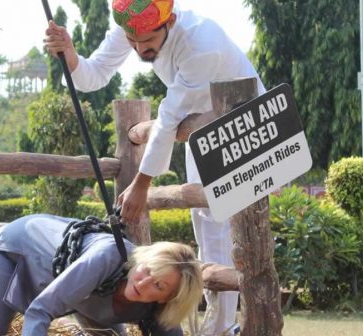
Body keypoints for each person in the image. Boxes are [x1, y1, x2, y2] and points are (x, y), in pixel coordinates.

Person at [44, 0, 266, 333]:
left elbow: (169, 115)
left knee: (234, 238)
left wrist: (142, 183)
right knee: (207, 233)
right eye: (132, 41)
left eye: (147, 42)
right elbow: (95, 74)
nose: (138, 49)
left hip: (246, 129)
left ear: (170, 20)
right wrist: (69, 53)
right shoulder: (132, 25)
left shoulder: (200, 42)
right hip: (203, 132)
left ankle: (224, 329)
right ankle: (214, 328)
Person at [0, 214, 203, 336]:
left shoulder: (160, 309)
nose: (142, 283)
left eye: (159, 286)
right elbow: (40, 311)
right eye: (148, 270)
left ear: (166, 300)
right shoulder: (106, 257)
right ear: (144, 259)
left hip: (86, 297)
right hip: (17, 248)